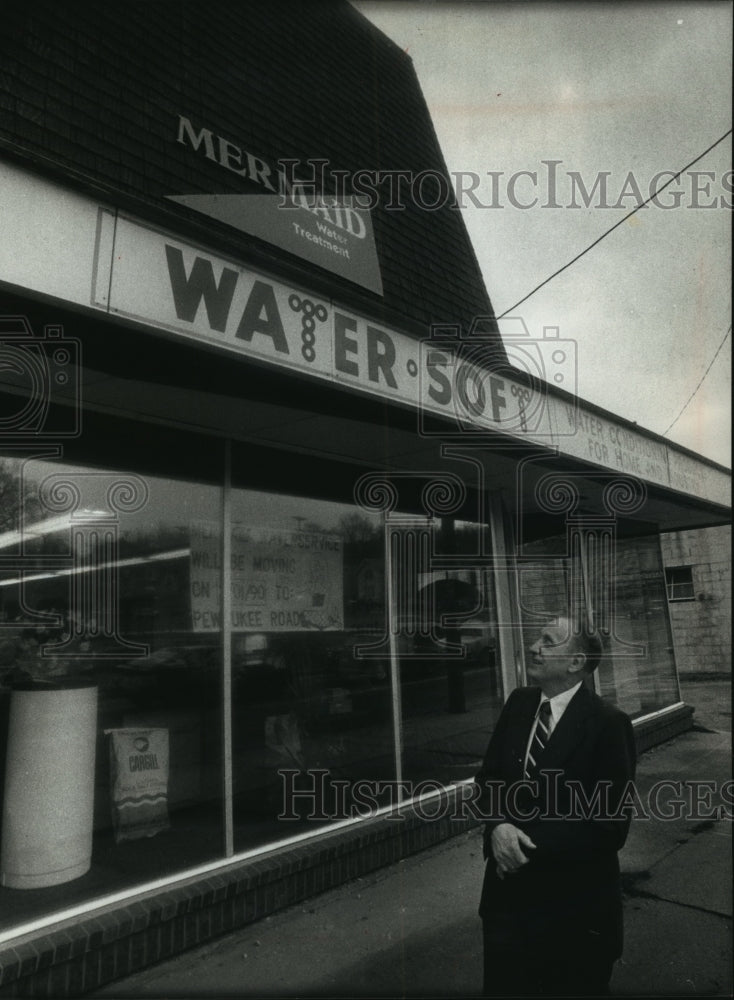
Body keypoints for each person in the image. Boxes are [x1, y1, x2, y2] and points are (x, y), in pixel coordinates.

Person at [475, 616, 636, 996]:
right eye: (537, 637)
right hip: (506, 907)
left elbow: (609, 826)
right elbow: (488, 780)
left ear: (576, 662)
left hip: (573, 915)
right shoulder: (519, 703)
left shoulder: (608, 724)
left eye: (547, 641)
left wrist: (521, 846)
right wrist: (497, 826)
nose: (533, 646)